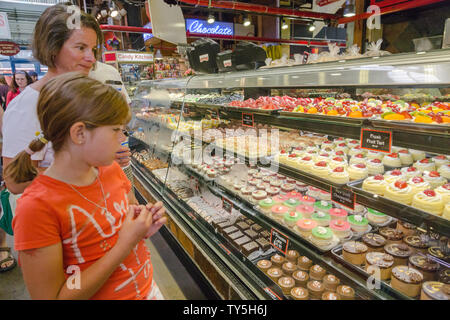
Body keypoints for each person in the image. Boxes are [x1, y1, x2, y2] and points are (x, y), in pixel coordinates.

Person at [5, 72, 166, 299]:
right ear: (79, 133)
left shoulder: (111, 170)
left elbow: (128, 217)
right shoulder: (37, 208)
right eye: (115, 129)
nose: (122, 138)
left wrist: (141, 226)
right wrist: (124, 244)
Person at [0, 3, 124, 273]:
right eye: (81, 48)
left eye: (93, 49)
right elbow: (14, 180)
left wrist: (108, 156)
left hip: (97, 224)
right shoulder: (26, 106)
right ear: (53, 48)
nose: (91, 58)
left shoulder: (85, 95)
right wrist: (78, 170)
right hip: (59, 235)